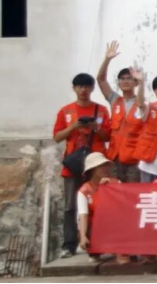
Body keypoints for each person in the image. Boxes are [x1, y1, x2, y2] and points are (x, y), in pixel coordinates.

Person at [53, 73, 111, 259]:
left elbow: (108, 136)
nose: (83, 90)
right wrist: (72, 127)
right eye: (79, 86)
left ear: (92, 88)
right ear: (74, 88)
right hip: (73, 164)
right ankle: (69, 245)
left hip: (96, 166)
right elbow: (57, 137)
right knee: (70, 206)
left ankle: (98, 241)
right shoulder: (66, 111)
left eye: (86, 86)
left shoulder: (101, 110)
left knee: (101, 204)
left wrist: (96, 128)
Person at [97, 41, 143, 183]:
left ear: (136, 82)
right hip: (114, 157)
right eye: (122, 79)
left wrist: (142, 82)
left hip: (134, 160)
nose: (125, 81)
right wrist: (107, 59)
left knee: (131, 193)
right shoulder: (115, 101)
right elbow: (101, 80)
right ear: (118, 83)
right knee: (114, 191)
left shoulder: (142, 104)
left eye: (129, 78)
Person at [76, 153, 127, 264]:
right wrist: (83, 236)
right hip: (95, 227)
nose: (105, 168)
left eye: (106, 165)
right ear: (93, 169)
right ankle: (95, 251)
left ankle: (121, 250)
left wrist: (109, 190)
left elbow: (123, 207)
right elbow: (83, 215)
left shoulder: (116, 183)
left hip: (115, 224)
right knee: (88, 232)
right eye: (101, 166)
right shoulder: (84, 190)